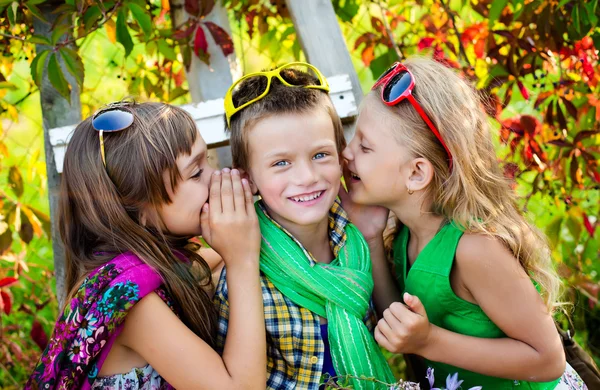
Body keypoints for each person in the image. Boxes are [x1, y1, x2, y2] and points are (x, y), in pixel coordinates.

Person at [340, 57, 586, 389]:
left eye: (364, 146)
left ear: (417, 173)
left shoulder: (474, 247)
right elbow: (398, 322)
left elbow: (548, 359)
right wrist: (370, 237)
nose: (346, 152)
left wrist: (429, 341)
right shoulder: (407, 235)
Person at [26, 101, 266, 389]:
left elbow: (200, 266)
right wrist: (242, 261)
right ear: (140, 210)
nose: (215, 176)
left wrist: (247, 233)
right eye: (196, 173)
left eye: (208, 162)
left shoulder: (138, 268)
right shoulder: (134, 307)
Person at [215, 63, 396, 390]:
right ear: (248, 178)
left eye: (320, 155)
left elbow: (389, 327)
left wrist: (370, 239)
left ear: (341, 156)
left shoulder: (350, 240)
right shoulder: (246, 268)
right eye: (281, 163)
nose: (307, 177)